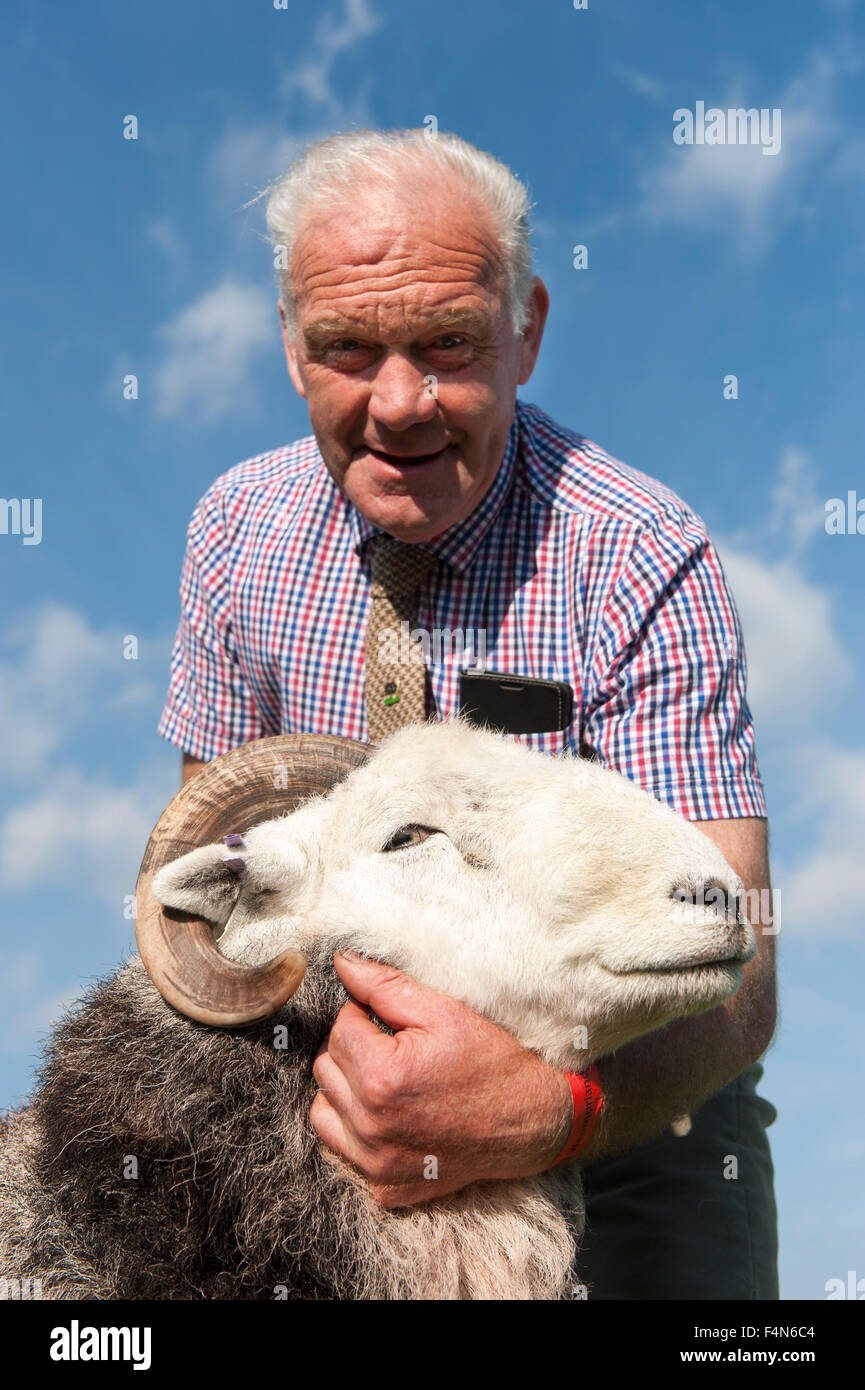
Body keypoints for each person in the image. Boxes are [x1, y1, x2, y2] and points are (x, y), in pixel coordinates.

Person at [158, 128, 778, 1299]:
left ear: (526, 329)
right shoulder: (236, 534)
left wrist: (555, 1109)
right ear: (293, 350)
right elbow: (211, 873)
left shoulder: (641, 554)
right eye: (347, 348)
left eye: (448, 343)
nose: (398, 404)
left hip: (622, 1091)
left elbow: (735, 954)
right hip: (331, 1097)